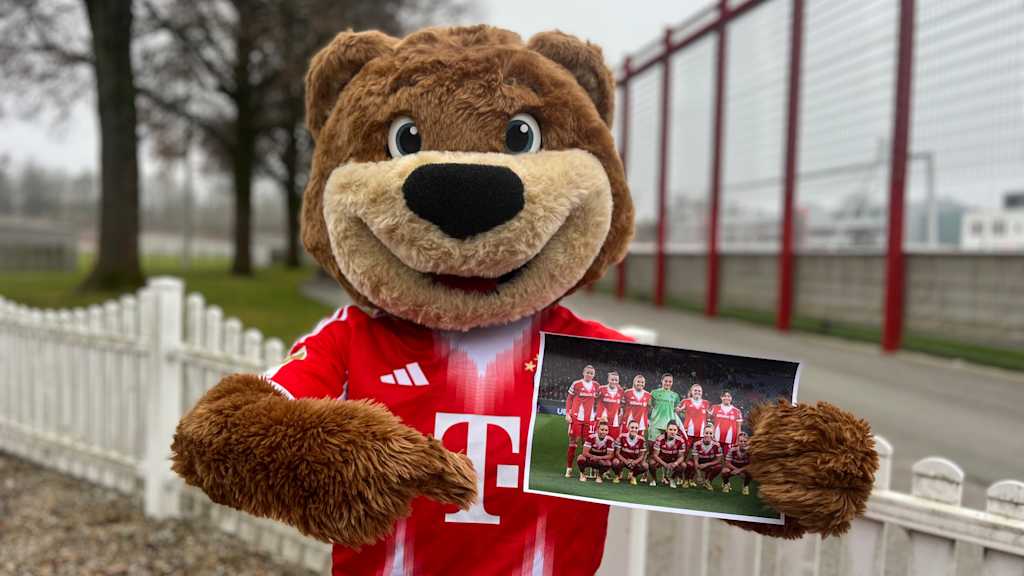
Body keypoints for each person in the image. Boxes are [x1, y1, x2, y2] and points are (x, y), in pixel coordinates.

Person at [564, 365, 601, 478]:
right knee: (574, 441)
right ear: (583, 373)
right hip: (576, 417)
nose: (589, 375)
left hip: (589, 419)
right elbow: (569, 399)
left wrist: (598, 415)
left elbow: (599, 400)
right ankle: (569, 468)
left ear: (594, 375)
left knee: (588, 443)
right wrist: (567, 413)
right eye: (587, 372)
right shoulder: (576, 384)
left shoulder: (596, 386)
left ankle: (589, 469)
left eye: (591, 373)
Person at [649, 422, 690, 488]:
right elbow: (655, 455)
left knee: (683, 465)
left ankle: (672, 479)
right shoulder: (660, 438)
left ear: (677, 431)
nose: (672, 432)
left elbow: (681, 456)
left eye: (674, 430)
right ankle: (654, 479)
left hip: (673, 460)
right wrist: (665, 464)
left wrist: (675, 463)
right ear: (666, 430)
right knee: (651, 462)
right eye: (670, 429)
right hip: (662, 459)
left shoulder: (681, 440)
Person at [612, 421, 649, 485]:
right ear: (628, 428)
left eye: (636, 428)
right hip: (623, 460)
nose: (634, 430)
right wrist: (626, 461)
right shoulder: (621, 437)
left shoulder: (642, 439)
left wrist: (634, 462)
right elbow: (617, 453)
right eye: (632, 427)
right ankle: (618, 475)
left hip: (634, 461)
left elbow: (641, 456)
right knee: (615, 462)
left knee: (645, 466)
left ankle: (633, 476)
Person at [648, 373, 682, 442]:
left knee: (666, 449)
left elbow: (676, 410)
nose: (668, 383)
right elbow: (650, 406)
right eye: (666, 381)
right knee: (652, 447)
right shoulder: (654, 393)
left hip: (669, 426)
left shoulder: (675, 395)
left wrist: (678, 410)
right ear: (662, 381)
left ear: (672, 383)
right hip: (655, 424)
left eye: (670, 382)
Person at [709, 390, 744, 457]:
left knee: (727, 458)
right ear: (721, 397)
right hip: (716, 439)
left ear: (731, 398)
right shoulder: (714, 407)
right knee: (714, 457)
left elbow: (739, 427)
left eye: (728, 396)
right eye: (724, 396)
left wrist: (738, 440)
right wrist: (711, 434)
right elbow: (709, 422)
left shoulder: (737, 411)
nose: (726, 398)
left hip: (730, 440)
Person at [676, 383, 710, 447]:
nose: (697, 392)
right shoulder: (685, 401)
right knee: (685, 450)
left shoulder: (706, 403)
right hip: (688, 431)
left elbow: (708, 416)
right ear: (691, 391)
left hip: (701, 433)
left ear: (702, 392)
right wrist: (679, 409)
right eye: (695, 390)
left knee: (698, 452)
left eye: (699, 391)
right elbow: (678, 411)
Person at [596, 371, 624, 439]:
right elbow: (594, 399)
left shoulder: (621, 391)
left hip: (614, 420)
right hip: (602, 418)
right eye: (612, 379)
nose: (614, 382)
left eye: (616, 380)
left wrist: (621, 414)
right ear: (608, 379)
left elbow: (621, 405)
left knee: (613, 440)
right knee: (598, 439)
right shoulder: (601, 389)